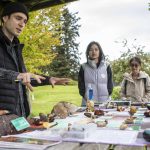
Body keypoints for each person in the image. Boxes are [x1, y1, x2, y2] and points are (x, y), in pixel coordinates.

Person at [0, 2, 70, 118]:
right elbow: (19, 76)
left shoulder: (16, 48)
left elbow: (25, 78)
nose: (22, 24)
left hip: (18, 117)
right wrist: (17, 75)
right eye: (18, 18)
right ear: (5, 18)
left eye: (25, 21)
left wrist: (49, 79)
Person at [78, 41, 113, 106]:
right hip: (88, 103)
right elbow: (80, 85)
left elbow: (110, 83)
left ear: (100, 51)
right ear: (88, 52)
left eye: (96, 49)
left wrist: (108, 93)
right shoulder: (83, 67)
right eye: (91, 50)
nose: (94, 52)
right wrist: (85, 96)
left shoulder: (107, 66)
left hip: (105, 103)